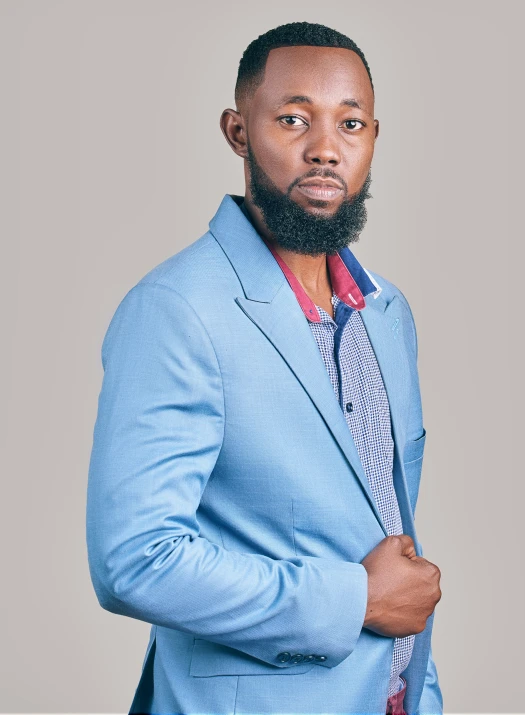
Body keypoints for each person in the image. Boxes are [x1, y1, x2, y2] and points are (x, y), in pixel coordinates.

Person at [86, 21, 443, 715]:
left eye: (351, 123)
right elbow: (135, 558)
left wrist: (417, 689)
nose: (324, 149)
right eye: (292, 119)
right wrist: (356, 599)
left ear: (374, 138)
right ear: (237, 131)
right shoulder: (177, 309)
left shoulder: (385, 313)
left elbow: (389, 527)